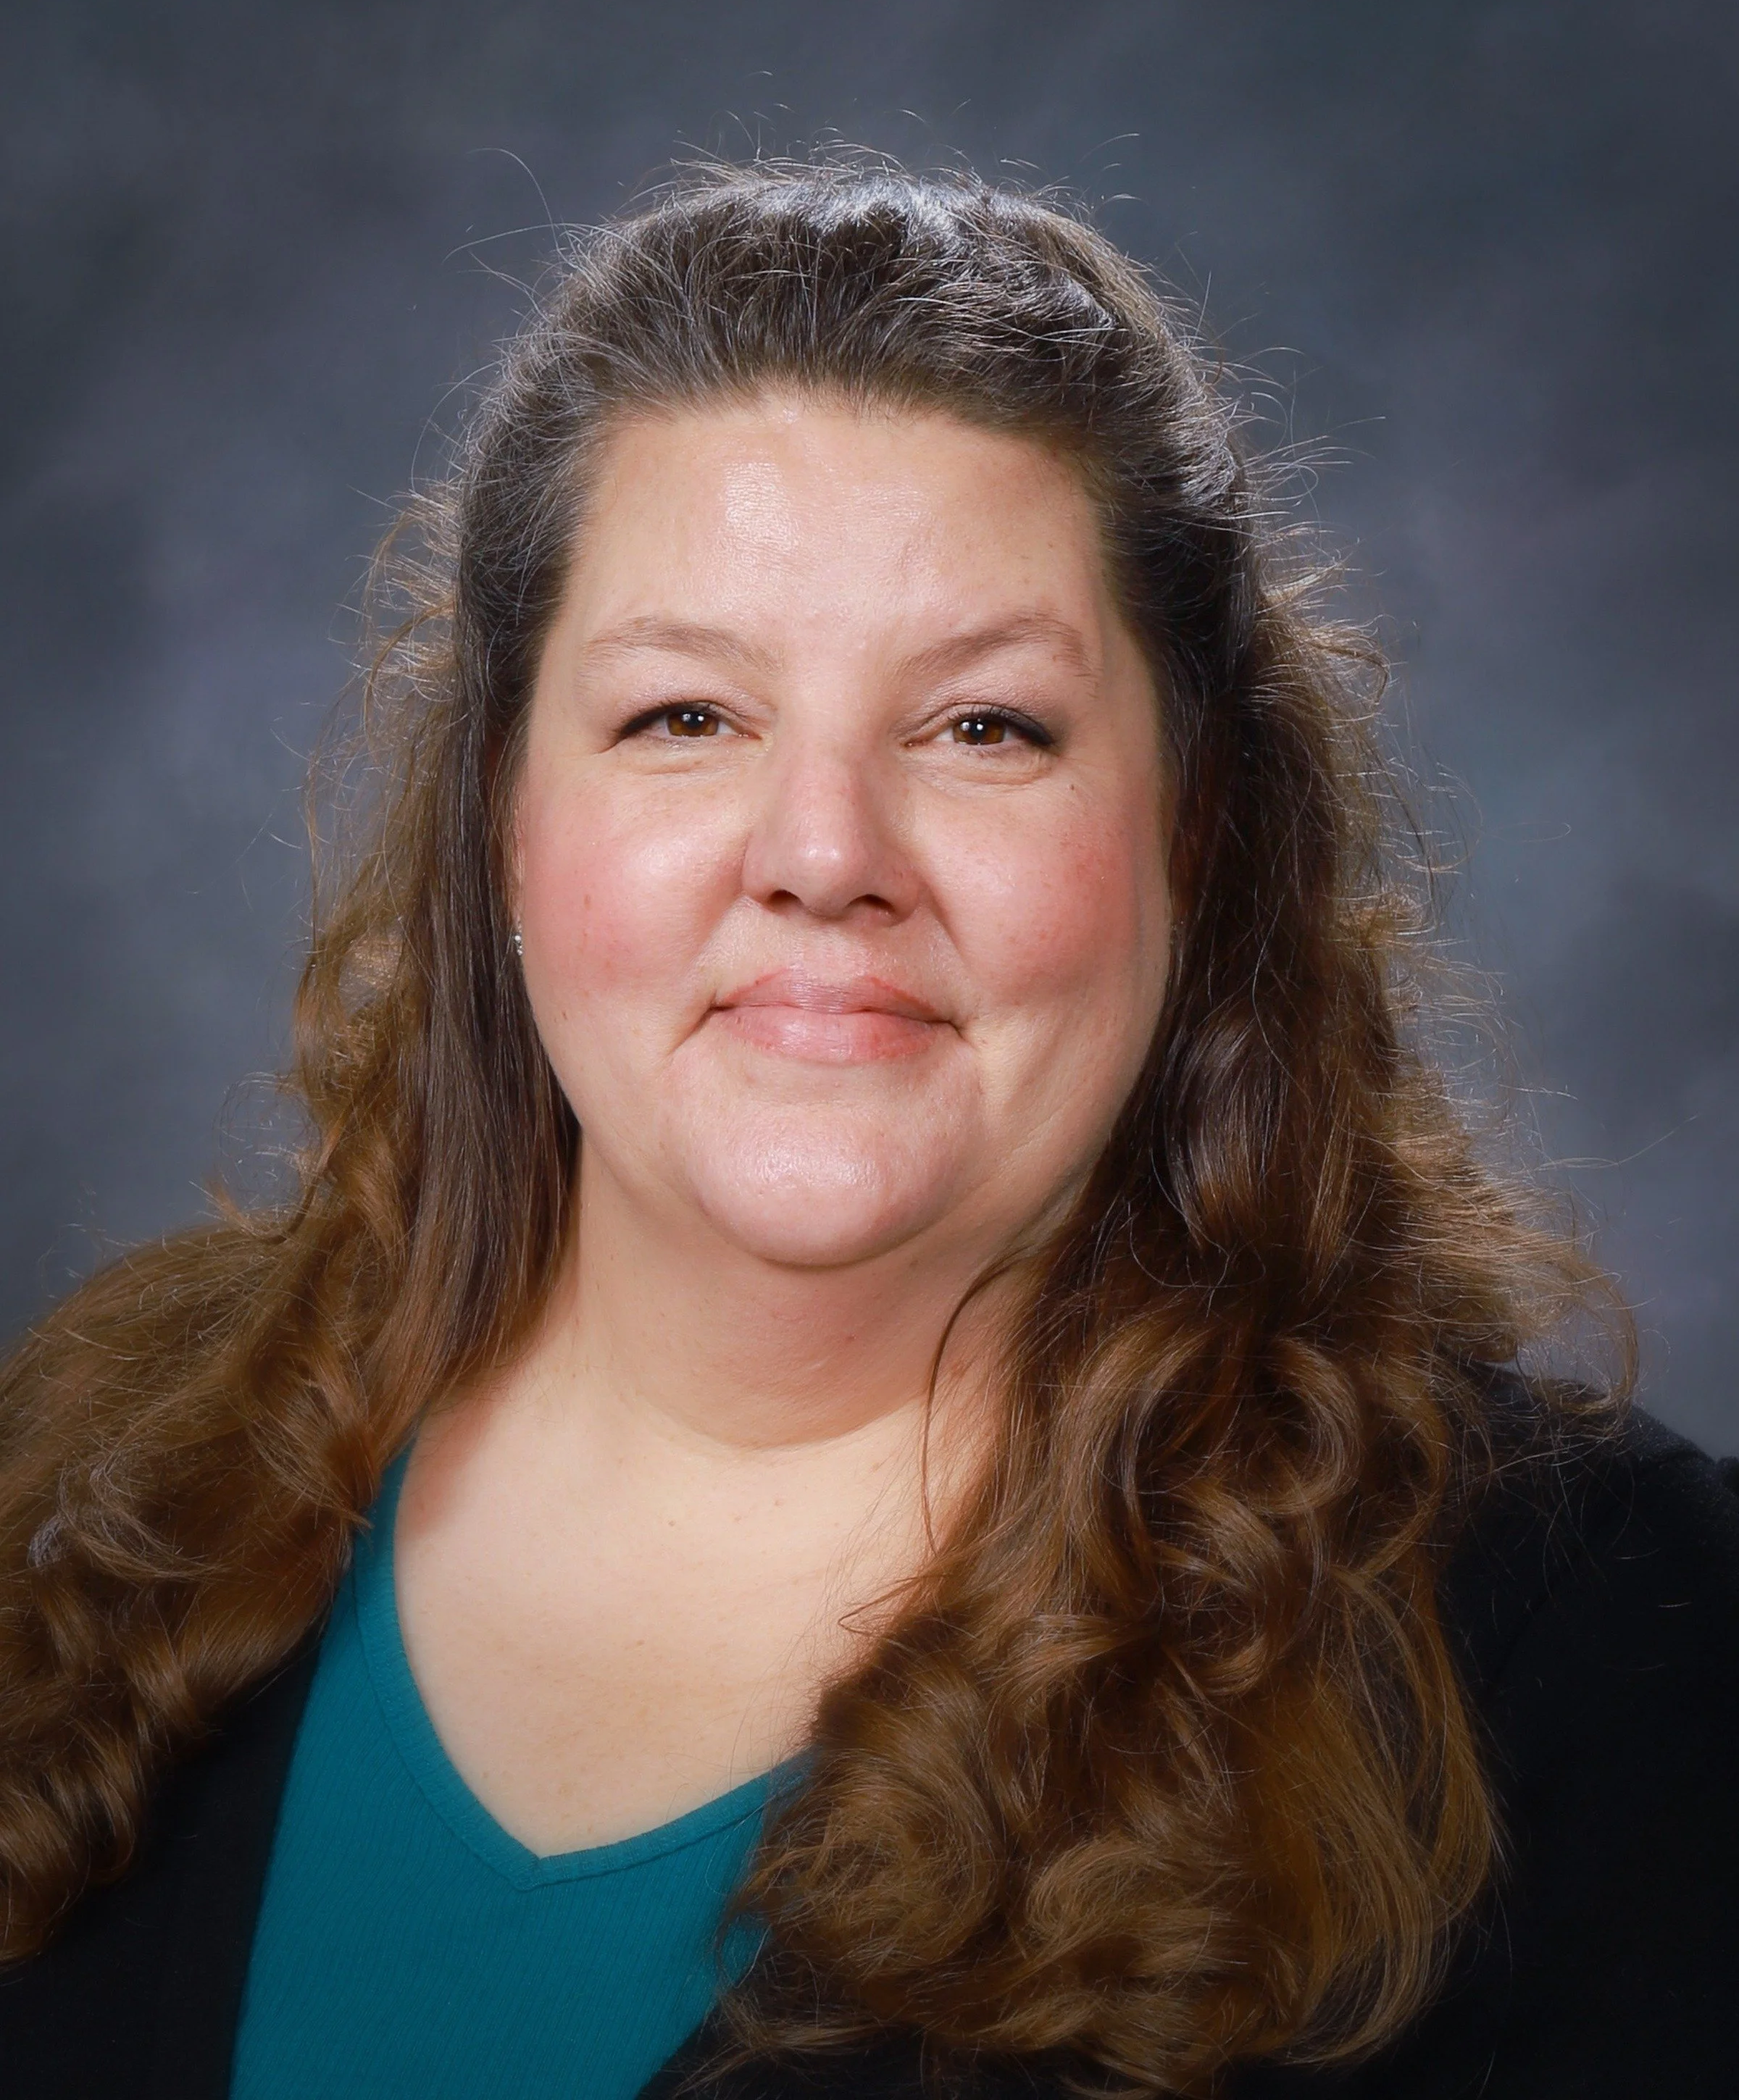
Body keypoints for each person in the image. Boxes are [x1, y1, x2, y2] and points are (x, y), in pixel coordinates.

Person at [0, 162, 1734, 2100]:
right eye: (685, 716)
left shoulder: (1601, 1651)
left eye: (985, 727)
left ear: (1196, 832)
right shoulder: (83, 1497)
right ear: (503, 813)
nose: (824, 854)